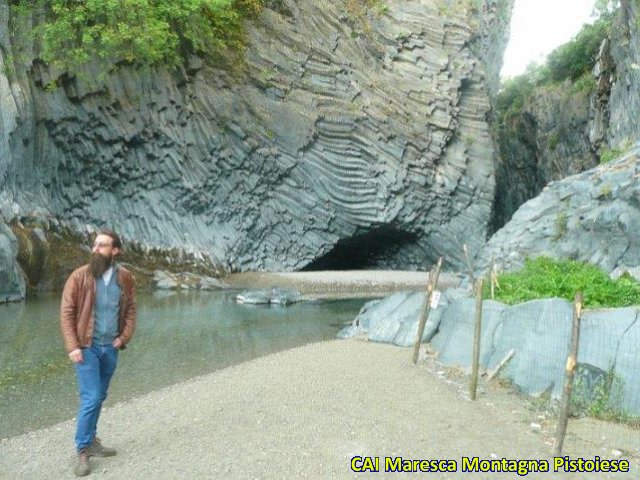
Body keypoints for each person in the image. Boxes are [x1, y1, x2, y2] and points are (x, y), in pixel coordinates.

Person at [60, 230, 137, 477]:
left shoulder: (124, 278)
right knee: (91, 397)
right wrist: (72, 346)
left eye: (102, 245)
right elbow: (67, 312)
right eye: (94, 245)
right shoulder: (80, 276)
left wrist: (123, 337)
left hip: (110, 348)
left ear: (115, 250)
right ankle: (83, 450)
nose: (95, 249)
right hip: (86, 347)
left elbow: (131, 309)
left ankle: (91, 440)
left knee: (100, 396)